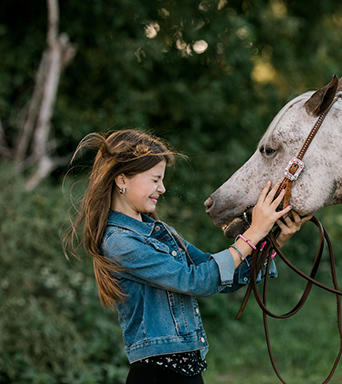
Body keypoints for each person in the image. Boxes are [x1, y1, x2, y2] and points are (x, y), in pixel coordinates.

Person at [64, 129, 310, 384]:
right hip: (159, 375)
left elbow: (220, 275)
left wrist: (274, 240)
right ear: (122, 180)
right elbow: (197, 281)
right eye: (155, 179)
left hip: (184, 371)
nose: (162, 188)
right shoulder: (120, 243)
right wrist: (253, 232)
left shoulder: (160, 231)